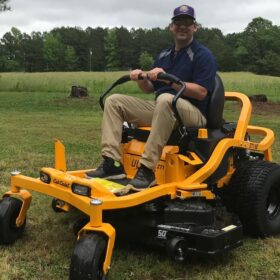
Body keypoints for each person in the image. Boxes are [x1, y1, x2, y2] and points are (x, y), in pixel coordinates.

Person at [86, 4, 217, 191]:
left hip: (194, 113)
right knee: (114, 101)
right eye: (178, 22)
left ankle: (147, 170)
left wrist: (170, 81)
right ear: (171, 27)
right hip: (164, 107)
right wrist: (140, 78)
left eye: (187, 22)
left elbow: (202, 92)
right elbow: (149, 88)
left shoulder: (203, 55)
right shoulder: (164, 55)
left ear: (194, 27)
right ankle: (112, 164)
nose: (182, 26)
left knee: (165, 100)